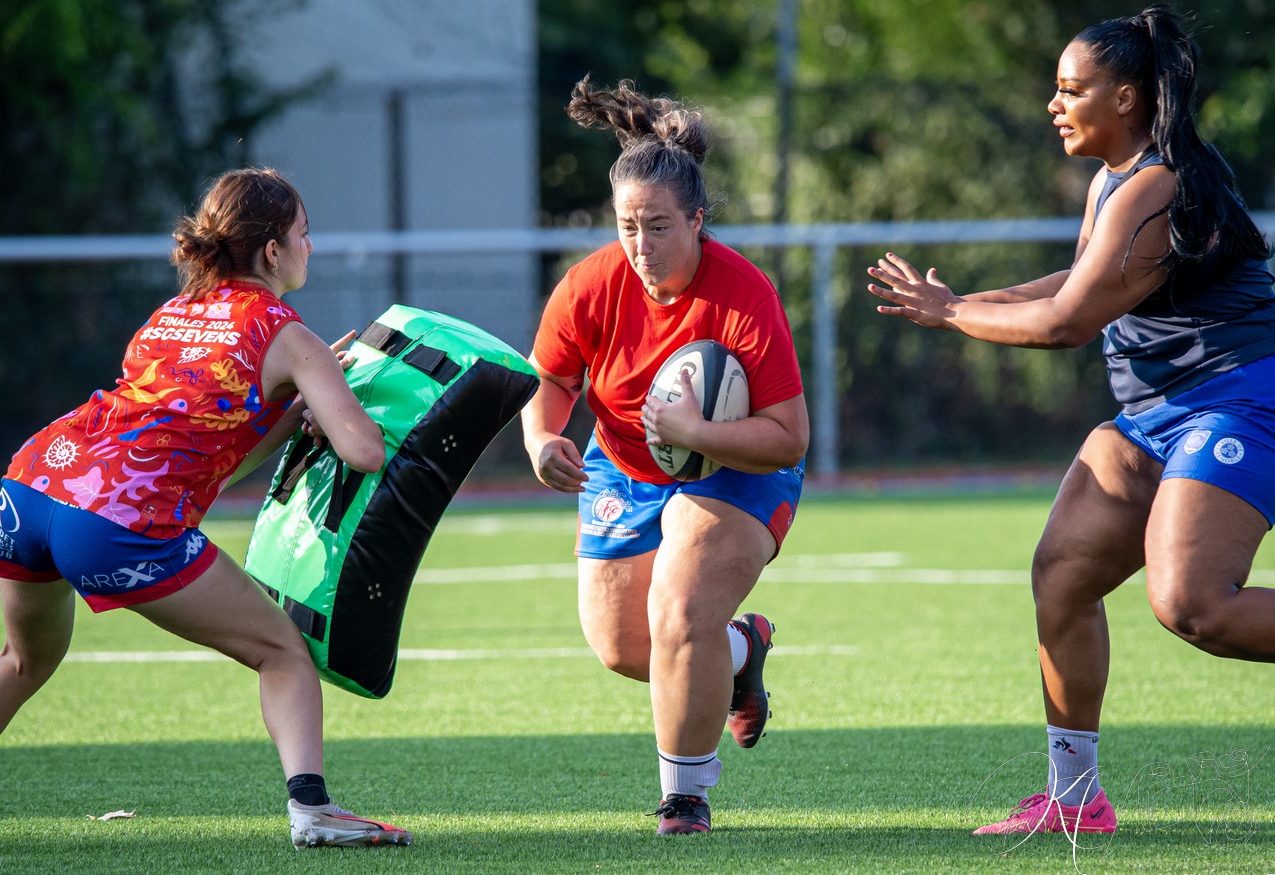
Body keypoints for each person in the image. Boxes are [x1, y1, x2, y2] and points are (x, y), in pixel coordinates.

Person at [865, 5, 1275, 835]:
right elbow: (1075, 277)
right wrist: (960, 302)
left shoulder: (1161, 183)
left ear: (1125, 97)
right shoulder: (1114, 180)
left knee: (1194, 603)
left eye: (1070, 89)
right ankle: (1073, 797)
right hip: (1153, 416)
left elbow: (1066, 323)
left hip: (1239, 399)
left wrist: (951, 317)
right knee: (1062, 573)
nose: (1054, 104)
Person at [0, 168, 413, 850]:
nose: (310, 248)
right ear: (271, 252)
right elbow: (364, 451)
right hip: (112, 522)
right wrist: (335, 390)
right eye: (304, 234)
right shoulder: (288, 333)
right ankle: (314, 809)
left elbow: (207, 454)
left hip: (31, 487)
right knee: (282, 650)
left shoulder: (170, 314)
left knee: (21, 661)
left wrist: (293, 417)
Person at [522, 77, 809, 835]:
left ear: (698, 221)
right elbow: (549, 381)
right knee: (625, 647)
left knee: (680, 611)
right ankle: (742, 649)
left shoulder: (744, 293)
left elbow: (789, 434)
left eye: (658, 227)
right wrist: (543, 439)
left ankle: (684, 797)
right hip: (623, 460)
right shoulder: (589, 284)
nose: (641, 246)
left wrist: (697, 432)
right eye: (627, 227)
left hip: (739, 467)